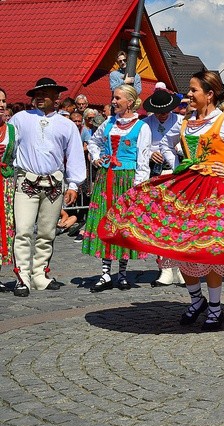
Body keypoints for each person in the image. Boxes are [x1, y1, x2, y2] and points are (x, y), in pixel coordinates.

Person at [99, 70, 224, 330]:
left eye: (193, 90)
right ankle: (195, 300)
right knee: (182, 246)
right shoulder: (184, 121)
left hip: (216, 192)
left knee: (209, 248)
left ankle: (215, 307)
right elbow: (166, 144)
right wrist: (176, 163)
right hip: (187, 188)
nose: (188, 94)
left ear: (209, 94)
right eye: (189, 90)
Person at [9, 78, 86, 296]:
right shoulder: (20, 119)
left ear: (56, 97)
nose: (40, 97)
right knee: (23, 231)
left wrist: (73, 184)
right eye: (37, 94)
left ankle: (40, 275)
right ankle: (21, 277)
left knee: (47, 232)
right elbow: (8, 146)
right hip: (26, 182)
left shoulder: (67, 124)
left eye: (46, 93)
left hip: (53, 183)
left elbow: (74, 155)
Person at [83, 85, 151, 292]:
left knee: (122, 225)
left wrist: (137, 188)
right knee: (106, 222)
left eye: (117, 98)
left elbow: (143, 160)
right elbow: (93, 142)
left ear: (130, 102)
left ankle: (121, 272)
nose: (113, 101)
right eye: (113, 97)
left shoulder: (142, 127)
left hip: (127, 179)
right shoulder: (109, 123)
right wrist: (96, 158)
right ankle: (105, 273)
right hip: (107, 177)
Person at [142, 86, 185, 287]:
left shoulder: (181, 122)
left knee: (180, 223)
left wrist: (178, 149)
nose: (162, 116)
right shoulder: (145, 124)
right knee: (160, 223)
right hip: (156, 174)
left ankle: (184, 268)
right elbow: (139, 148)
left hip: (177, 173)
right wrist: (150, 153)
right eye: (158, 112)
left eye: (165, 112)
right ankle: (165, 269)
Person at [0, 87, 16, 291]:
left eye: (3, 100)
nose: (1, 104)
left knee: (4, 228)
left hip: (5, 185)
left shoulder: (12, 130)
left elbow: (18, 158)